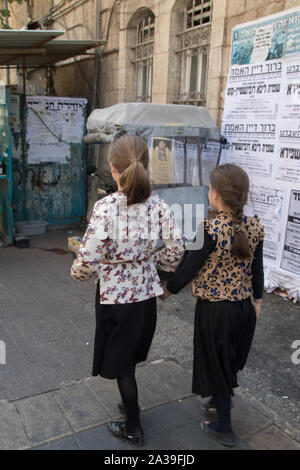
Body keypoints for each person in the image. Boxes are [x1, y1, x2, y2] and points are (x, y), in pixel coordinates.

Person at [71, 134, 184, 447]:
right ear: (145, 167)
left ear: (112, 168)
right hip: (145, 298)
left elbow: (88, 257)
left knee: (122, 365)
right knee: (129, 359)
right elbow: (177, 247)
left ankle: (133, 427)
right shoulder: (158, 205)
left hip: (113, 299)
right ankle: (129, 402)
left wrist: (77, 272)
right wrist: (156, 266)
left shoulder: (105, 208)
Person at [160, 163, 264, 447]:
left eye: (210, 188)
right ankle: (218, 404)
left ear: (216, 194)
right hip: (243, 310)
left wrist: (168, 290)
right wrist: (257, 301)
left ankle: (223, 427)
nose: (209, 192)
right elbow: (257, 271)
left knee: (217, 368)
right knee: (226, 364)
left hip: (215, 311)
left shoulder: (208, 228)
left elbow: (188, 268)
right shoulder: (254, 227)